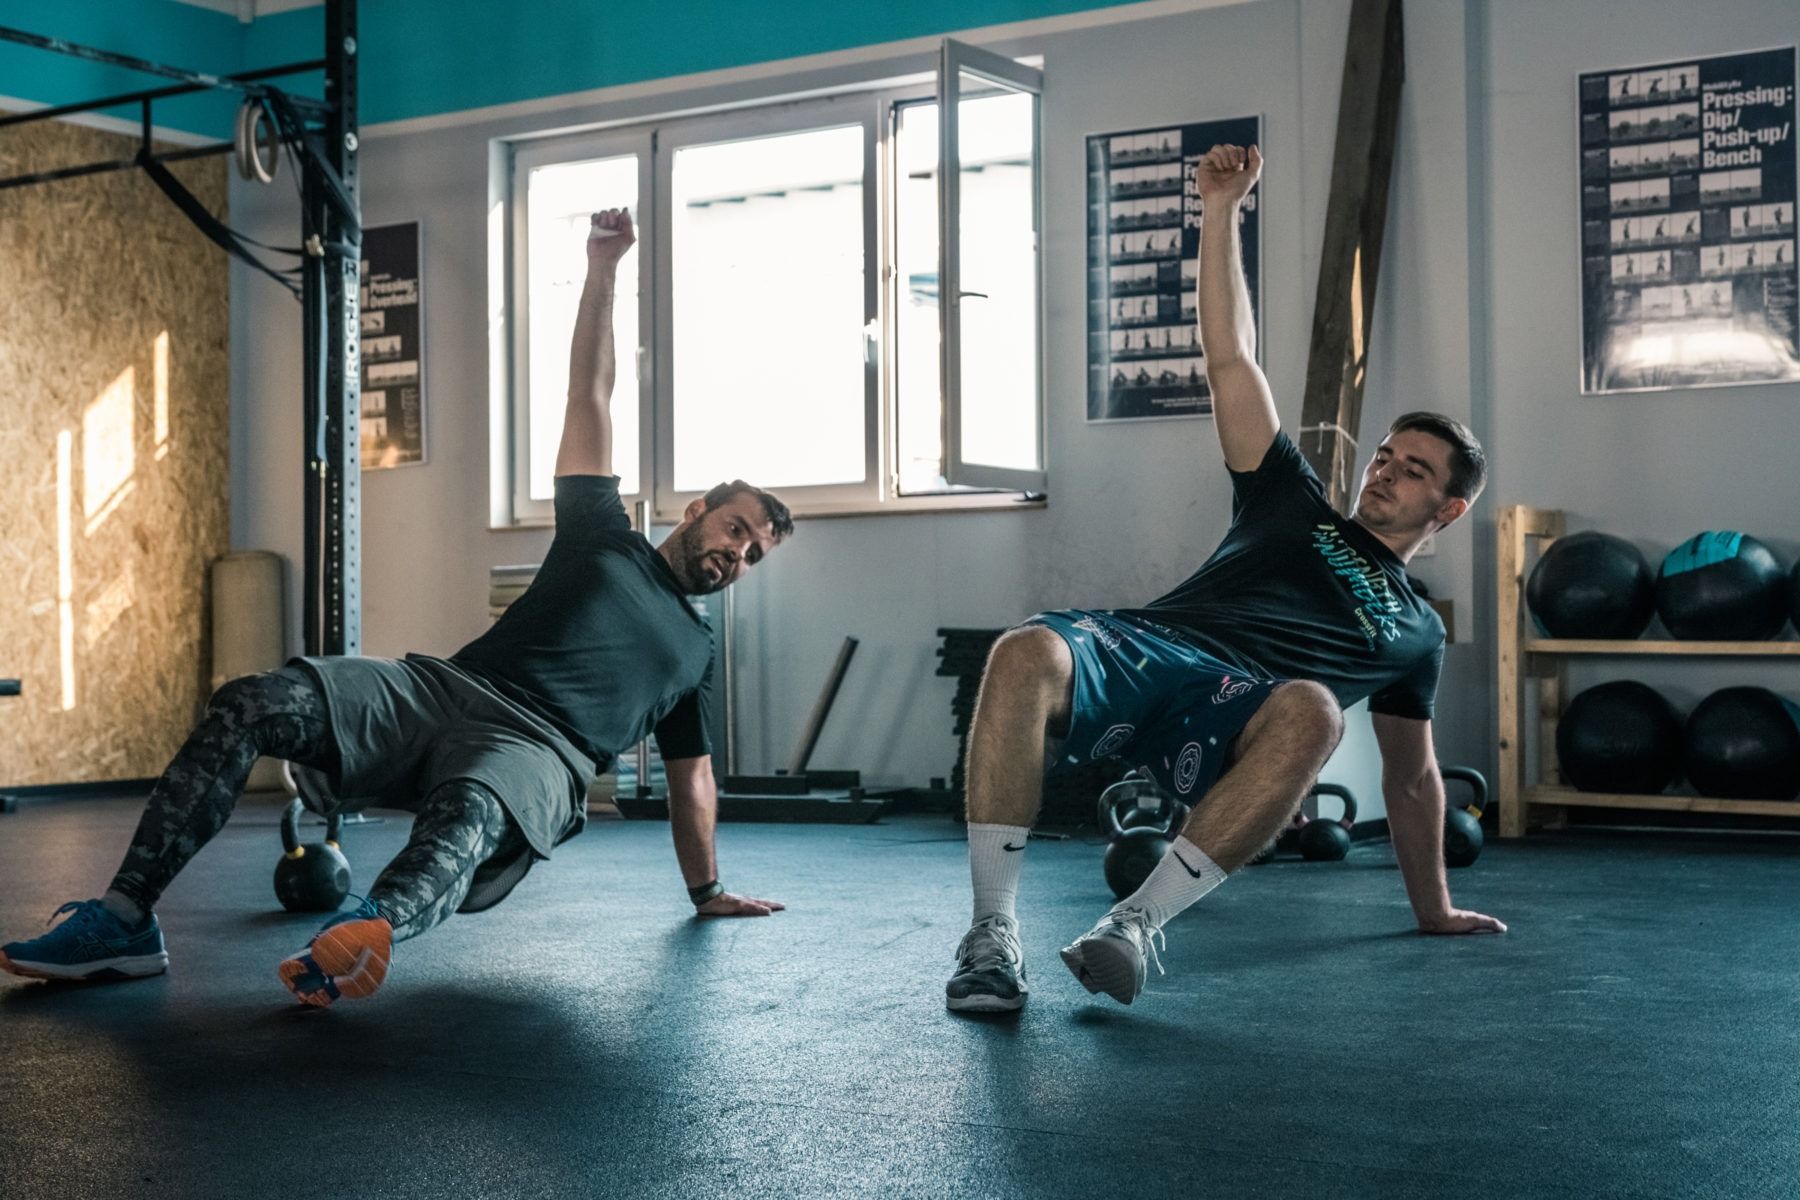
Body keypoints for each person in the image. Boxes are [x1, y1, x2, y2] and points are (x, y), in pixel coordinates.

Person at [2, 209, 792, 1006]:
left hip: (538, 757)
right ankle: (123, 920)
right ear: (696, 512)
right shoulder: (601, 531)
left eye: (755, 554)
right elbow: (588, 390)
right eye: (737, 529)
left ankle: (361, 934)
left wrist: (707, 893)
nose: (739, 554)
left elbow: (694, 781)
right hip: (439, 691)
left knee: (471, 813)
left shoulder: (696, 655)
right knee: (251, 703)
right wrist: (602, 269)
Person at [944, 145, 1504, 1014]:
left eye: (1416, 470)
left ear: (1451, 507)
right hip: (1155, 647)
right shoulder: (1293, 501)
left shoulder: (1416, 630)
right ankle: (991, 935)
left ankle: (1130, 928)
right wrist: (1221, 209)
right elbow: (1231, 359)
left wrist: (1433, 909)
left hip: (1242, 711)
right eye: (1387, 456)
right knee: (1025, 651)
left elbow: (1412, 779)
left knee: (1316, 706)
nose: (1387, 472)